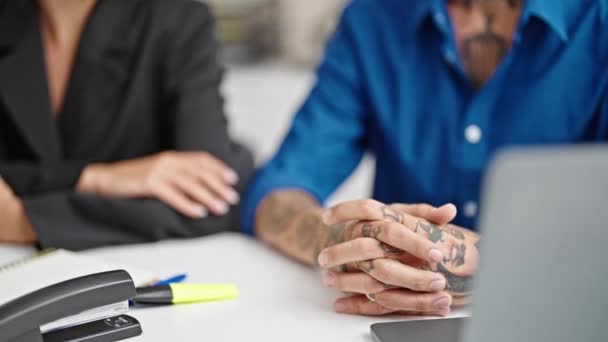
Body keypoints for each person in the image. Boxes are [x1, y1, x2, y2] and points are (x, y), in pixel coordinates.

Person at [244, 0, 608, 317]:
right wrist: (343, 239)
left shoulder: (598, 20)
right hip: (393, 320)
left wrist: (500, 264)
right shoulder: (372, 19)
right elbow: (278, 191)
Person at [0, 0, 254, 250]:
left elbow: (212, 200)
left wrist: (23, 221)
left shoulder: (176, 20)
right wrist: (96, 179)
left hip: (127, 268)